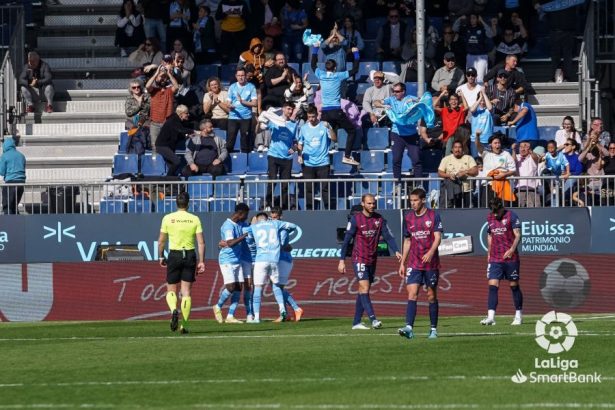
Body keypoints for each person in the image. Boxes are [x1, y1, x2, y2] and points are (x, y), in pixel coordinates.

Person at [339, 193, 401, 330]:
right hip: (358, 257)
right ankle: (373, 319)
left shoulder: (379, 219)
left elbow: (388, 236)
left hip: (372, 258)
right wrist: (342, 260)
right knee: (364, 287)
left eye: (373, 203)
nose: (372, 205)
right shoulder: (355, 219)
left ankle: (356, 322)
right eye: (369, 203)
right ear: (363, 204)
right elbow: (346, 240)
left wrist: (396, 250)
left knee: (363, 290)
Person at [157, 192, 206, 334]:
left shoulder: (168, 218)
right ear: (188, 203)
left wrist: (160, 256)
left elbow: (161, 241)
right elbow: (201, 243)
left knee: (171, 289)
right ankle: (183, 325)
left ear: (176, 203)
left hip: (174, 254)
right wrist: (201, 261)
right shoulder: (194, 219)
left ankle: (173, 310)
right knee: (186, 292)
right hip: (189, 254)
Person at [397, 188, 443, 339]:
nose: (413, 203)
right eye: (411, 200)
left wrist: (430, 252)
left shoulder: (433, 215)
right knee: (412, 293)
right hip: (414, 263)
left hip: (431, 263)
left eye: (416, 200)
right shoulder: (408, 218)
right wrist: (402, 263)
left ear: (423, 200)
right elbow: (407, 241)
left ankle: (433, 329)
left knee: (431, 295)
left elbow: (437, 237)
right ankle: (409, 327)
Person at [311, 41, 360, 166]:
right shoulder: (338, 75)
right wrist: (356, 54)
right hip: (336, 111)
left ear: (326, 67)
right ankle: (347, 156)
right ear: (334, 68)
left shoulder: (320, 75)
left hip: (325, 113)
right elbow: (355, 70)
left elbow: (312, 65)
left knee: (325, 136)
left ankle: (320, 155)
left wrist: (315, 49)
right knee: (352, 131)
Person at [244, 212, 298, 323]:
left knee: (258, 288)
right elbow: (293, 226)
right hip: (274, 260)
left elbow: (245, 234)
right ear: (267, 218)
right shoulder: (275, 223)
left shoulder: (254, 227)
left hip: (261, 260)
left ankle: (257, 317)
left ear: (258, 219)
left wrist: (252, 228)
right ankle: (282, 310)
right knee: (277, 286)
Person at [480, 197, 523, 326]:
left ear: (501, 207)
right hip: (495, 258)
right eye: (493, 212)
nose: (495, 215)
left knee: (513, 285)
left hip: (511, 258)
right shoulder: (490, 218)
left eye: (497, 212)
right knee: (493, 285)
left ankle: (518, 315)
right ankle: (491, 317)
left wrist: (512, 249)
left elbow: (518, 235)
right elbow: (489, 234)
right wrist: (489, 253)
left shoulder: (512, 216)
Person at [381, 82, 431, 182]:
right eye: (394, 91)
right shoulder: (391, 100)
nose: (395, 93)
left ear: (403, 91)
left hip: (411, 135)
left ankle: (419, 185)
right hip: (397, 134)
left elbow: (424, 102)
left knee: (416, 159)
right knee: (396, 160)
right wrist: (383, 106)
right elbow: (377, 102)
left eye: (397, 91)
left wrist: (415, 100)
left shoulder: (410, 98)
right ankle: (397, 184)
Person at [214, 203, 251, 323]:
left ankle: (230, 316)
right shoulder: (228, 226)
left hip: (237, 260)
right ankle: (218, 306)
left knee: (239, 287)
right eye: (246, 214)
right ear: (240, 213)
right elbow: (230, 243)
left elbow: (251, 226)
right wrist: (243, 236)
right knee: (230, 287)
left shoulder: (240, 223)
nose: (247, 217)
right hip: (227, 260)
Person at [259, 101, 298, 209]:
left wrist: (294, 148)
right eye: (288, 109)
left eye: (292, 109)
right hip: (273, 155)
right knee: (272, 180)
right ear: (283, 109)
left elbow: (295, 141)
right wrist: (259, 120)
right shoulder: (274, 120)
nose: (290, 111)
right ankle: (268, 203)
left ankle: (283, 206)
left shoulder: (294, 124)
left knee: (285, 184)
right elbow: (260, 129)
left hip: (287, 158)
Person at [297, 104, 336, 210]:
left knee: (325, 188)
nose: (311, 119)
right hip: (308, 163)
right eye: (309, 117)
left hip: (323, 162)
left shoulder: (324, 125)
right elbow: (300, 144)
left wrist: (329, 127)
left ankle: (328, 209)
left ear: (317, 115)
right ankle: (310, 209)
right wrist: (299, 155)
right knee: (309, 188)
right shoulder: (304, 128)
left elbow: (334, 138)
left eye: (313, 116)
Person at [270, 206, 303, 322]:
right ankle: (288, 313)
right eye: (272, 217)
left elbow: (282, 244)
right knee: (278, 287)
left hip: (282, 259)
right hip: (278, 259)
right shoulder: (271, 228)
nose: (274, 219)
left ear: (280, 217)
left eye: (276, 217)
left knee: (276, 286)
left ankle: (292, 309)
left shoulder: (283, 229)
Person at [146, 60, 180, 152]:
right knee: (155, 147)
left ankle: (168, 166)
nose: (163, 79)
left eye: (165, 78)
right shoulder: (154, 90)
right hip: (155, 124)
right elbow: (147, 86)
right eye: (161, 77)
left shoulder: (169, 90)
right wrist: (157, 72)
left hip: (167, 123)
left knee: (168, 147)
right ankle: (156, 165)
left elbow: (176, 87)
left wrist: (168, 74)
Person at [476, 133, 516, 207]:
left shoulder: (506, 154)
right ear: (490, 144)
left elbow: (513, 169)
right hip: (488, 185)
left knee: (503, 209)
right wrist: (477, 136)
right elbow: (478, 146)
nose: (497, 145)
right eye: (495, 143)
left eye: (499, 143)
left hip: (503, 185)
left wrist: (504, 174)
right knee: (486, 208)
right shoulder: (486, 154)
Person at [453, 13, 494, 83]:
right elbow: (454, 28)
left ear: (477, 19)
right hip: (470, 56)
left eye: (474, 18)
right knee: (470, 77)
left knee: (480, 78)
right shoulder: (466, 28)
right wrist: (459, 19)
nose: (472, 20)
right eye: (471, 18)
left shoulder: (482, 28)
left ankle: (480, 93)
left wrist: (482, 21)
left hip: (482, 56)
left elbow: (490, 34)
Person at [156, 104, 195, 176]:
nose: (188, 115)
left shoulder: (177, 121)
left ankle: (170, 184)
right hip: (162, 146)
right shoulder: (174, 119)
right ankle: (167, 181)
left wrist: (187, 136)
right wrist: (194, 131)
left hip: (169, 146)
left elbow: (177, 134)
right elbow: (180, 130)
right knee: (177, 162)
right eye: (186, 113)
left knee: (172, 166)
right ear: (181, 113)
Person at [437, 140, 478, 208]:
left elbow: (475, 171)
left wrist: (465, 172)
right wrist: (449, 175)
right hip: (451, 192)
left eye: (459, 147)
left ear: (462, 149)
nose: (457, 149)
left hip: (466, 191)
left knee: (466, 213)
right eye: (455, 147)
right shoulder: (446, 159)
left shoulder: (469, 158)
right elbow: (440, 172)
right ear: (452, 149)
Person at [227, 67, 258, 153]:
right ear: (236, 76)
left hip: (246, 117)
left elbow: (255, 103)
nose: (241, 77)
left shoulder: (251, 87)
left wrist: (242, 101)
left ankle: (245, 162)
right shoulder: (232, 87)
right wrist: (230, 106)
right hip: (233, 117)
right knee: (230, 141)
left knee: (245, 142)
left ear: (246, 76)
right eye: (239, 75)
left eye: (243, 75)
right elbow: (228, 103)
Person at [433, 90, 467, 156]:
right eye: (451, 99)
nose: (453, 101)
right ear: (449, 101)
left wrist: (462, 95)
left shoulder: (461, 110)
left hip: (459, 139)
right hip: (447, 139)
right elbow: (433, 106)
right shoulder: (444, 110)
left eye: (455, 99)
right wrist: (441, 95)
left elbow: (466, 107)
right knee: (447, 159)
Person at [0, 137, 26, 215]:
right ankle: (17, 224)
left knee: (7, 206)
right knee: (14, 206)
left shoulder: (5, 156)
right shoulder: (21, 155)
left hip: (10, 183)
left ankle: (9, 225)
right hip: (21, 183)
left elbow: (1, 172)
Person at [513, 141, 542, 208]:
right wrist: (514, 150)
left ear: (530, 149)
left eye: (525, 147)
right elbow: (513, 162)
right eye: (521, 147)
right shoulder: (516, 156)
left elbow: (536, 158)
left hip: (532, 191)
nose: (523, 149)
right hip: (519, 191)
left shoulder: (533, 156)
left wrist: (530, 151)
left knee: (535, 213)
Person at [467, 88, 493, 158]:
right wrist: (480, 97)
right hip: (475, 140)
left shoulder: (488, 110)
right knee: (476, 160)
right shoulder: (475, 109)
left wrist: (484, 94)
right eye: (481, 101)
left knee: (488, 160)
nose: (482, 102)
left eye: (484, 101)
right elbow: (472, 110)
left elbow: (490, 108)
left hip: (487, 140)